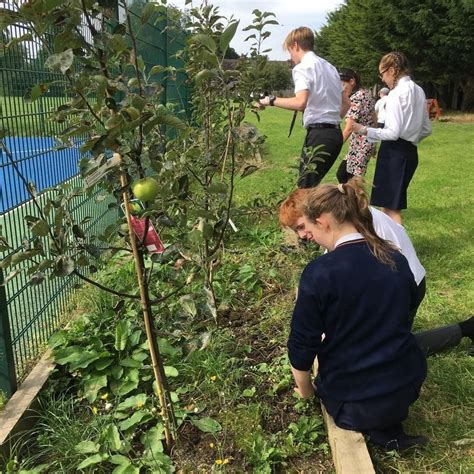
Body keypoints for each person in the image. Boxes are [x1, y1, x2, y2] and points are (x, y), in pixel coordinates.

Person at [279, 180, 474, 451]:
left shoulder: (319, 273)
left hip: (351, 402)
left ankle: (381, 428)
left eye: (306, 228)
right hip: (406, 389)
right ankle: (389, 426)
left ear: (322, 221)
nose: (305, 236)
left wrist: (306, 391)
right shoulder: (395, 259)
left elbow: (301, 345)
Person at [280, 185, 474, 357]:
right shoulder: (345, 216)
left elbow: (363, 276)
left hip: (404, 285)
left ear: (317, 215)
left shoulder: (356, 223)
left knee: (383, 351)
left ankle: (465, 329)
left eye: (302, 226)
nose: (302, 236)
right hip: (398, 279)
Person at [257, 27, 350, 188]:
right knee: (311, 188)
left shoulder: (302, 68)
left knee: (304, 192)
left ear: (295, 45)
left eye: (289, 51)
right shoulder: (330, 67)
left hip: (319, 135)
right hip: (334, 135)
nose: (290, 56)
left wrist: (270, 100)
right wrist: (331, 121)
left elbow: (300, 103)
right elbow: (346, 103)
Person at [352, 52, 432, 225]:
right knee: (386, 205)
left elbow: (392, 133)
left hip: (394, 153)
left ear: (391, 70)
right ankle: (387, 247)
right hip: (409, 152)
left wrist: (363, 130)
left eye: (381, 74)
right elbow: (426, 129)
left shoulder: (396, 94)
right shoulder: (419, 91)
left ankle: (400, 249)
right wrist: (411, 138)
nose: (382, 80)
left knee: (391, 209)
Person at [336, 69, 377, 184]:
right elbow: (374, 119)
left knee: (352, 181)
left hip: (361, 145)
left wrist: (336, 145)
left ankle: (355, 201)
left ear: (352, 81)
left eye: (343, 84)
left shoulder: (357, 97)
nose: (342, 89)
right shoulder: (366, 93)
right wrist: (374, 144)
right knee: (343, 175)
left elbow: (349, 127)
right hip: (364, 143)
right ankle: (348, 200)